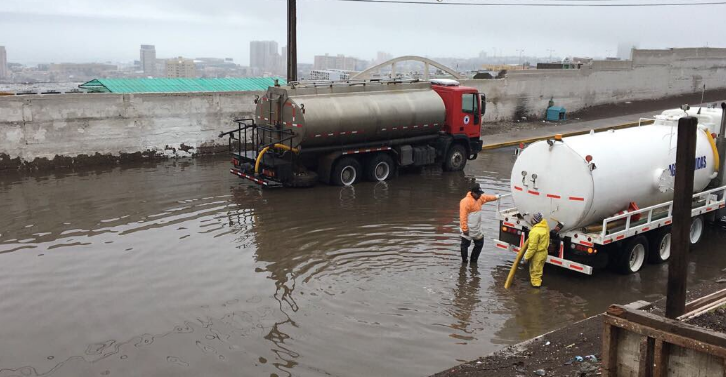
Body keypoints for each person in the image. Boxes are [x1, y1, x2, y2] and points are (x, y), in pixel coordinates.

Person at [459, 183, 499, 264]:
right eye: (478, 194)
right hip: (468, 228)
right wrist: (464, 229)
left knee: (479, 243)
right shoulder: (465, 202)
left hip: (476, 228)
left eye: (480, 194)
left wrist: (497, 197)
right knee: (465, 245)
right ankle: (465, 261)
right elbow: (463, 216)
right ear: (472, 193)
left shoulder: (480, 198)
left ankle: (473, 261)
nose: (480, 195)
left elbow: (487, 198)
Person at [521, 213, 550, 287]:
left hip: (537, 255)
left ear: (535, 221)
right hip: (544, 253)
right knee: (539, 270)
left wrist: (526, 257)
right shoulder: (545, 226)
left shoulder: (535, 232)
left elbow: (532, 248)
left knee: (535, 273)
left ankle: (535, 291)